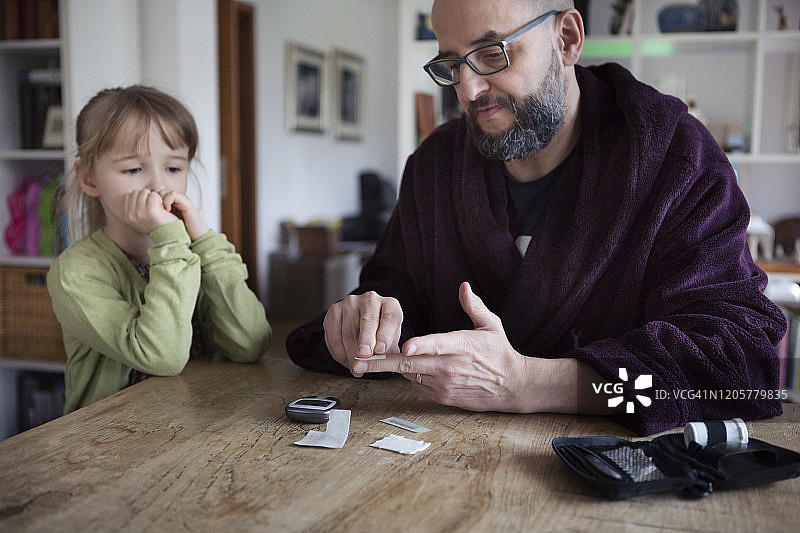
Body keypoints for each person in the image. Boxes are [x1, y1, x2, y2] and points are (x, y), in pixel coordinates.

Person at [286, 0, 786, 435]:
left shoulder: (672, 157)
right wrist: (365, 320)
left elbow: (738, 368)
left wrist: (527, 384)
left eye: (491, 53)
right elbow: (396, 295)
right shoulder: (435, 166)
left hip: (618, 482)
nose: (468, 89)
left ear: (566, 38)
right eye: (451, 63)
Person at [48, 85, 271, 413]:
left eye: (174, 168)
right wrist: (170, 240)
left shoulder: (189, 253)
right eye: (133, 169)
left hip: (191, 428)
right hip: (106, 441)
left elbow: (250, 343)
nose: (158, 185)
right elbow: (161, 356)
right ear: (90, 178)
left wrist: (205, 240)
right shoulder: (76, 271)